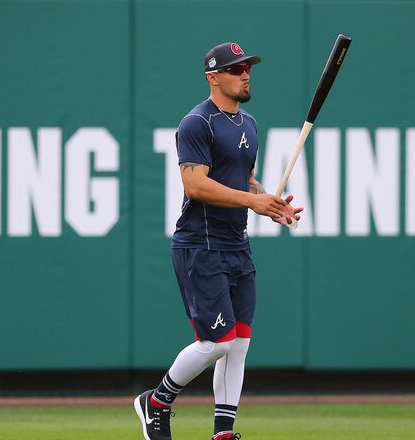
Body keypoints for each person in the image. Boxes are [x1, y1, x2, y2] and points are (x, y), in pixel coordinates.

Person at [134, 42, 303, 440]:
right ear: (213, 77)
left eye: (248, 68)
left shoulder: (250, 124)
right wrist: (254, 202)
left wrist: (272, 204)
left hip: (236, 245)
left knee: (239, 342)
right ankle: (156, 401)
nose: (245, 74)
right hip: (200, 246)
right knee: (216, 343)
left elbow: (238, 176)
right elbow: (194, 184)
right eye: (235, 69)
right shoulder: (197, 123)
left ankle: (223, 432)